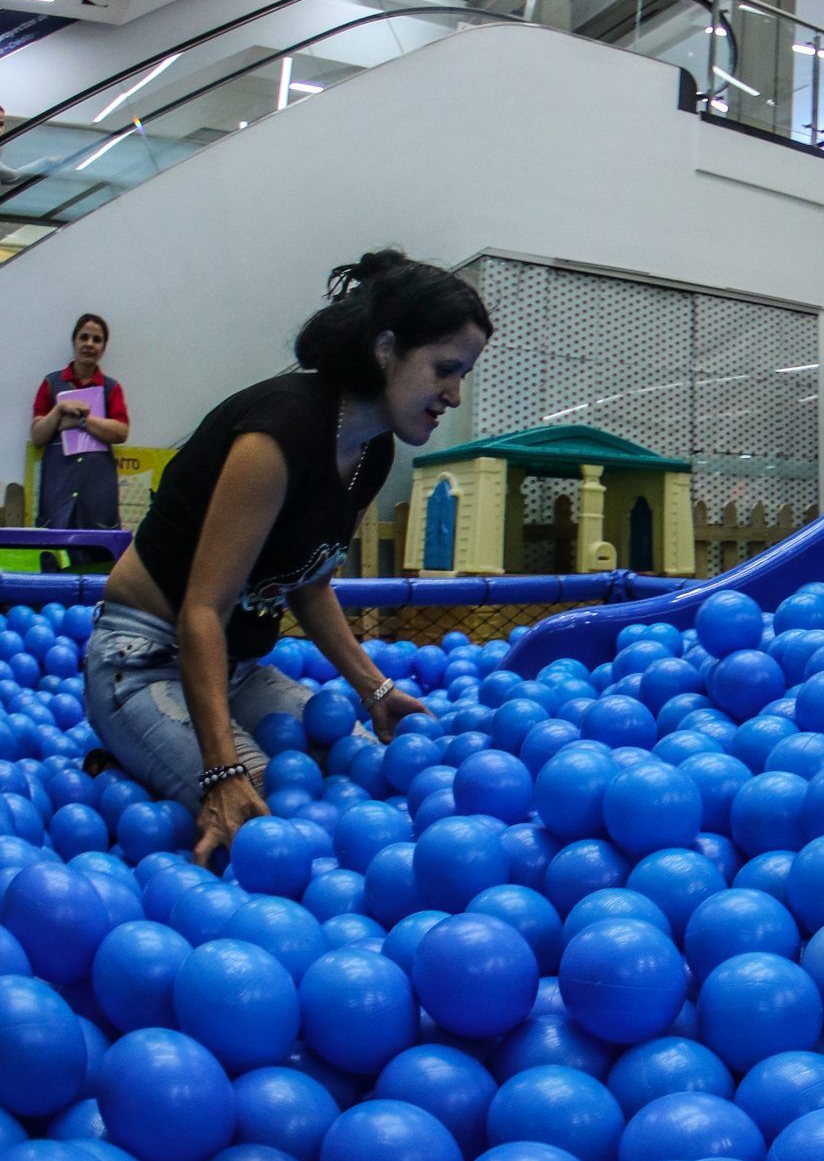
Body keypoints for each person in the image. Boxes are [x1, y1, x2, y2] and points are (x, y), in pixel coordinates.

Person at [84, 250, 491, 867]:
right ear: (386, 348)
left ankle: (154, 756)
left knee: (361, 761)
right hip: (143, 658)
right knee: (272, 815)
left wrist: (374, 688)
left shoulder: (372, 452)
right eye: (445, 369)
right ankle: (133, 750)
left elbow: (311, 585)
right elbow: (202, 610)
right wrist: (221, 768)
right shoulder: (276, 436)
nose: (453, 395)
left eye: (462, 375)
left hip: (234, 669)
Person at [32, 313, 130, 532]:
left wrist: (82, 420)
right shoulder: (50, 384)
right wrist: (58, 410)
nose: (89, 344)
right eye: (84, 337)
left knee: (97, 551)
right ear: (74, 341)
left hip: (97, 490)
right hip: (57, 487)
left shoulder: (111, 388)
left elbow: (121, 432)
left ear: (103, 348)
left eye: (97, 340)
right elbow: (37, 436)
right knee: (53, 550)